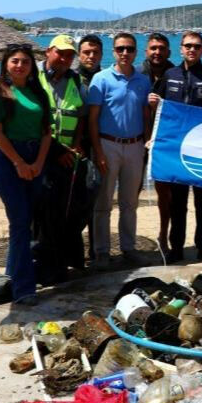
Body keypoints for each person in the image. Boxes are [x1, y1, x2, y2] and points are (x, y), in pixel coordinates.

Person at [0, 43, 52, 305]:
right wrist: (19, 162)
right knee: (20, 221)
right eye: (15, 61)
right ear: (6, 65)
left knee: (26, 222)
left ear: (32, 66)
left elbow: (47, 132)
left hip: (36, 158)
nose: (20, 65)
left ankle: (12, 276)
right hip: (7, 161)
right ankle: (24, 289)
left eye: (24, 61)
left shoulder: (38, 93)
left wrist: (39, 162)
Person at [152, 31, 202, 265]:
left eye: (196, 46)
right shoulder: (169, 75)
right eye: (187, 46)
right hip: (176, 150)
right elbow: (159, 113)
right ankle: (177, 249)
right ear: (181, 49)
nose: (191, 49)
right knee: (178, 203)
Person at [87, 32, 152, 269]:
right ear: (114, 51)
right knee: (102, 203)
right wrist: (98, 152)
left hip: (135, 146)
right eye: (121, 49)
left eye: (130, 49)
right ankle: (102, 252)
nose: (125, 53)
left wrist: (146, 143)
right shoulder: (101, 79)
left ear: (136, 52)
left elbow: (146, 114)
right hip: (107, 145)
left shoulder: (143, 81)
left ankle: (128, 248)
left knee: (129, 203)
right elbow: (92, 119)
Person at [35, 34, 88, 281]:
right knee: (42, 215)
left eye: (69, 55)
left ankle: (67, 262)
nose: (65, 58)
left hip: (69, 158)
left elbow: (80, 115)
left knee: (68, 212)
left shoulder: (75, 80)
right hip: (41, 157)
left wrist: (76, 144)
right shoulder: (34, 79)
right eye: (61, 53)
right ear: (49, 51)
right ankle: (43, 266)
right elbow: (32, 120)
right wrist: (57, 152)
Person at [140, 32, 176, 253]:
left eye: (162, 48)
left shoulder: (175, 74)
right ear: (147, 51)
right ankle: (128, 242)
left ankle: (163, 236)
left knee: (165, 195)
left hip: (165, 143)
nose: (157, 52)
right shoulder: (136, 74)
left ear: (168, 52)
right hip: (137, 141)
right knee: (130, 193)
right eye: (153, 48)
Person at [76, 33, 103, 265]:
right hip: (78, 147)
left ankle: (96, 249)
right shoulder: (73, 79)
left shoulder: (107, 77)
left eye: (95, 52)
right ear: (79, 54)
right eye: (86, 52)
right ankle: (77, 251)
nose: (91, 56)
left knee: (98, 198)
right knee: (78, 200)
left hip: (104, 145)